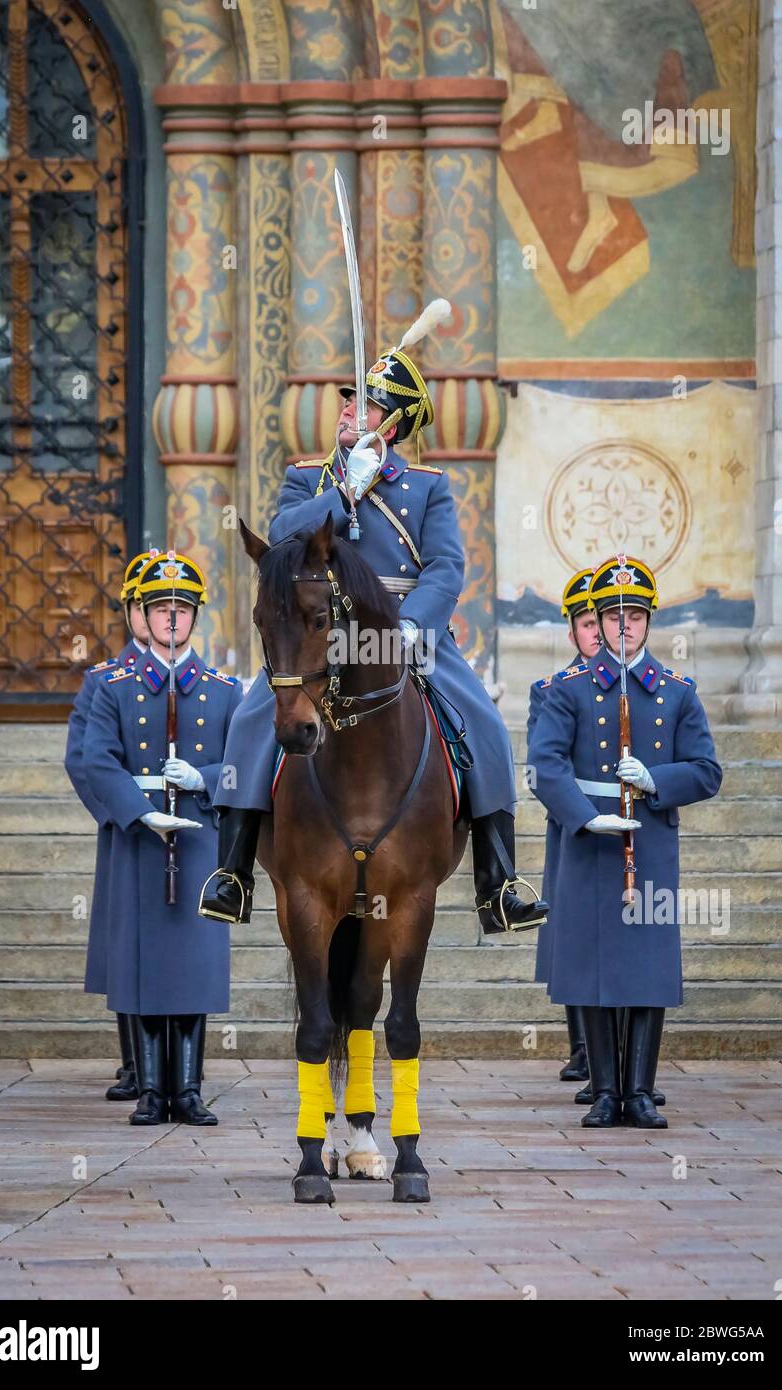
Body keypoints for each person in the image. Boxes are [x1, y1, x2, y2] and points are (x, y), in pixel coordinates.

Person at [201, 314, 546, 937]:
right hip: (317, 633)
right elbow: (282, 538)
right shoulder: (309, 479)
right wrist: (343, 491)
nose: (349, 411)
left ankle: (499, 882)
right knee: (254, 720)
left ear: (392, 423)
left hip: (400, 638)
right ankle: (232, 872)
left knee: (486, 726)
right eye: (351, 400)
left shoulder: (427, 488)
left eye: (366, 404)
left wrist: (414, 626)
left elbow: (445, 566)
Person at [529, 555, 722, 1128]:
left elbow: (707, 770)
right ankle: (606, 1090)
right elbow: (544, 765)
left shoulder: (677, 692)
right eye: (613, 616)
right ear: (599, 622)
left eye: (634, 615)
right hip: (590, 840)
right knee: (591, 966)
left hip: (651, 837)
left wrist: (657, 780)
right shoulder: (568, 689)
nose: (623, 626)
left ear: (648, 621)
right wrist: (585, 818)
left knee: (645, 966)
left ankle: (640, 1090)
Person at [83, 551, 243, 1125]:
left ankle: (191, 1090)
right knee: (144, 963)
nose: (171, 619)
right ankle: (152, 1090)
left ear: (195, 616)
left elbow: (249, 766)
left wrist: (204, 779)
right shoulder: (114, 686)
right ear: (141, 615)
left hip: (198, 834)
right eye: (160, 608)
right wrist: (140, 813)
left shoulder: (226, 690)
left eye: (181, 608)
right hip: (141, 837)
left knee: (193, 963)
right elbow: (95, 760)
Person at [64, 549, 158, 1102]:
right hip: (128, 829)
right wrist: (123, 810)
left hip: (185, 831)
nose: (161, 616)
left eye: (173, 605)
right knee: (127, 947)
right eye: (149, 606)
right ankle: (132, 1063)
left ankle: (174, 1072)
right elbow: (82, 758)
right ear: (130, 612)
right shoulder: (104, 680)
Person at [526, 569, 600, 1083]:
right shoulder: (550, 689)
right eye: (587, 623)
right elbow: (542, 767)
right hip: (574, 828)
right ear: (572, 630)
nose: (598, 632)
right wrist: (584, 815)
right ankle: (582, 1047)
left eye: (605, 620)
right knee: (573, 937)